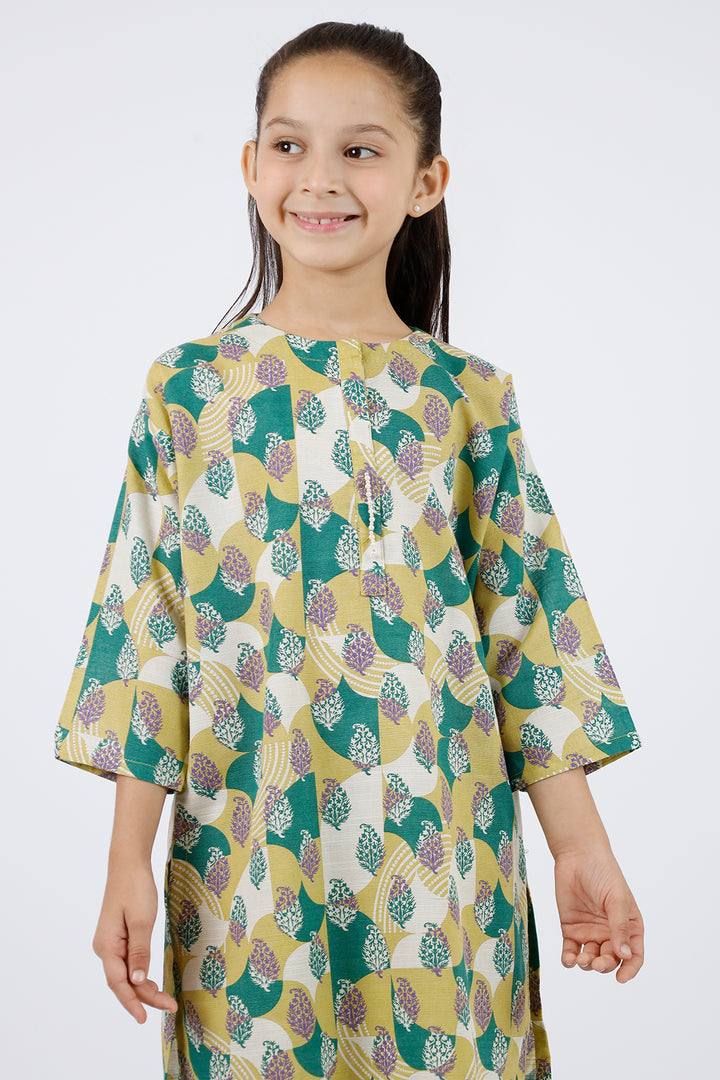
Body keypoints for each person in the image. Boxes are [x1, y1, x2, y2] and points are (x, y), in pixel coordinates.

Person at [55, 20, 643, 1080]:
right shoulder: (188, 391)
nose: (319, 178)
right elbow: (147, 638)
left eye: (360, 150)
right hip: (247, 864)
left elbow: (530, 639)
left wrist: (582, 850)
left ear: (426, 182)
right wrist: (126, 861)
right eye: (290, 145)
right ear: (251, 165)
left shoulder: (470, 399)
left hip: (443, 867)